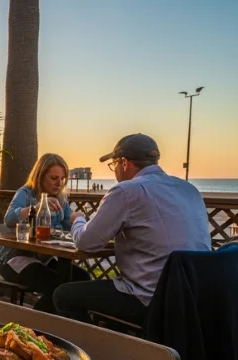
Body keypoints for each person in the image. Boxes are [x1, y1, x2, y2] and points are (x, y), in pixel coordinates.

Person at [54, 134, 211, 326]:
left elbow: (87, 242)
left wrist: (78, 219)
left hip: (150, 299)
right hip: (194, 299)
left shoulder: (125, 191)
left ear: (124, 162)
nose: (115, 172)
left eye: (114, 165)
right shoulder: (190, 190)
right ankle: (118, 340)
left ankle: (93, 349)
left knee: (63, 295)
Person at [0, 153, 90, 313]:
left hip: (43, 258)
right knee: (56, 284)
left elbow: (66, 226)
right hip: (13, 259)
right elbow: (9, 219)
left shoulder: (61, 199)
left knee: (82, 279)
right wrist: (36, 208)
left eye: (62, 179)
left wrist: (76, 219)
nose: (59, 183)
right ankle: (35, 323)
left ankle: (62, 323)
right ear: (40, 176)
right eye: (54, 178)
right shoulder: (25, 193)